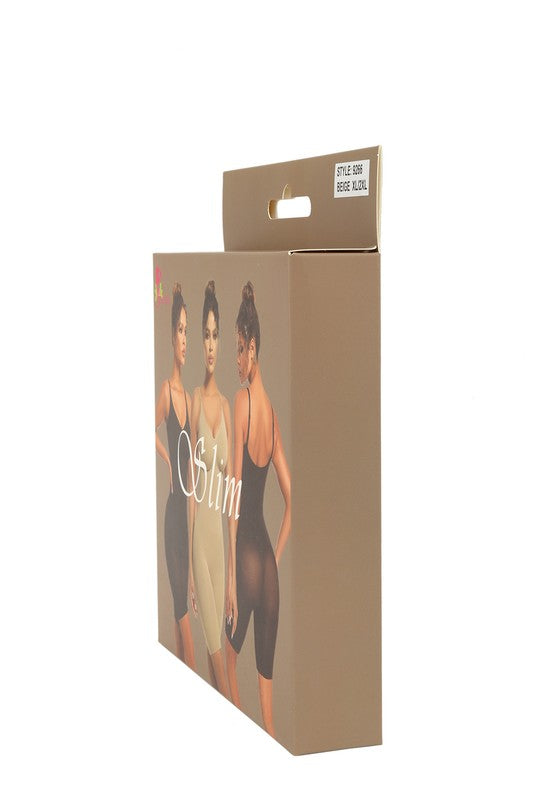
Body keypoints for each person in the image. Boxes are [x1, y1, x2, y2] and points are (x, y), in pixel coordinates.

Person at [225, 281, 291, 737]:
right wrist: (277, 559)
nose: (236, 360)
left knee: (227, 670)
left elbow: (233, 494)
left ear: (252, 348)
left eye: (238, 349)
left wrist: (231, 578)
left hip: (245, 557)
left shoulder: (243, 402)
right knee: (267, 711)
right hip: (268, 567)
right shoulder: (273, 414)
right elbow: (293, 499)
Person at [189, 281, 231, 697]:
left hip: (220, 545)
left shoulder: (228, 408)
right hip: (200, 541)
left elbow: (232, 501)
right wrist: (188, 569)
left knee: (211, 657)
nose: (212, 344)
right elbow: (190, 490)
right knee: (218, 663)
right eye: (206, 334)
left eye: (216, 335)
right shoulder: (195, 401)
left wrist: (232, 574)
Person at [155, 283, 196, 669]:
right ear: (171, 337)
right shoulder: (167, 391)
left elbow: (195, 475)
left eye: (187, 331)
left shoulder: (191, 398)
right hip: (172, 518)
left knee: (177, 620)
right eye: (180, 330)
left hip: (188, 521)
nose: (185, 339)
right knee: (182, 618)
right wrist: (168, 460)